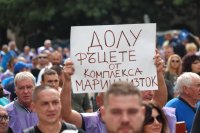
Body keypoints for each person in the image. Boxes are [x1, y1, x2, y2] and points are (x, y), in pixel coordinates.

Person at [61, 51, 167, 133]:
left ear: (142, 113)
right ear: (103, 112)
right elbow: (66, 114)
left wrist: (158, 74)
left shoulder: (149, 119)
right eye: (116, 112)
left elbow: (158, 101)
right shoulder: (92, 121)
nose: (125, 119)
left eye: (132, 111)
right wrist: (67, 81)